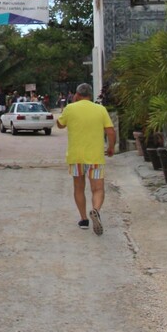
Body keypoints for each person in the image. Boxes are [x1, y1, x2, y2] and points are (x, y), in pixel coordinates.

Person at [56, 82, 115, 236]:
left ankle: (83, 220)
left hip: (76, 157)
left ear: (76, 94)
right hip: (95, 156)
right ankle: (95, 210)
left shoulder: (70, 108)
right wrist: (111, 147)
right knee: (98, 188)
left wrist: (69, 108)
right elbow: (110, 131)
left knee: (79, 188)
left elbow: (60, 125)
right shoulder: (100, 109)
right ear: (90, 94)